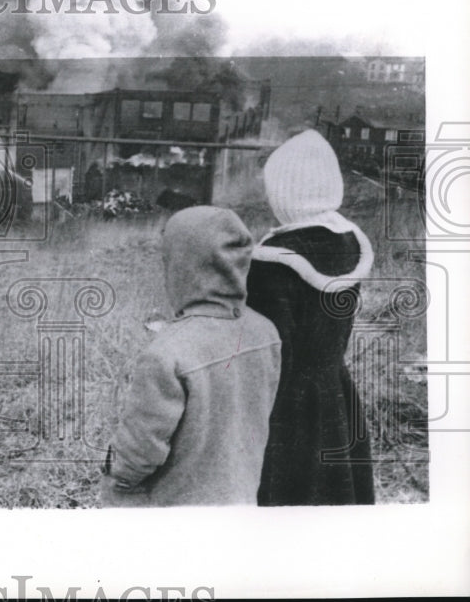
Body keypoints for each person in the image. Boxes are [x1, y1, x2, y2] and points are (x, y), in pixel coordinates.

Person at [101, 206, 282, 506]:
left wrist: (114, 475)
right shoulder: (266, 332)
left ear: (183, 267)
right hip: (241, 498)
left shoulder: (166, 353)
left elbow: (137, 454)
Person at [248, 129, 375, 505]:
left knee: (286, 500)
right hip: (335, 384)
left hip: (287, 400)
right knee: (333, 494)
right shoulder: (348, 240)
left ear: (285, 193)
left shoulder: (272, 260)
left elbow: (269, 350)